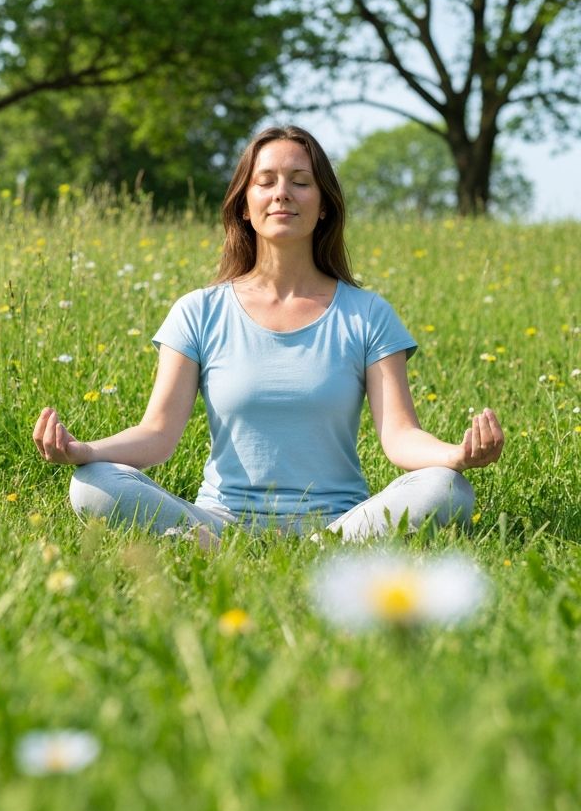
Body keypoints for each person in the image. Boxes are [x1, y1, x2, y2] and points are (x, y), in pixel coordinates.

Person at [32, 125, 504, 544]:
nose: (282, 194)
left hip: (339, 523)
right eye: (266, 182)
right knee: (92, 483)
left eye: (300, 182)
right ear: (244, 205)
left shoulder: (368, 314)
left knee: (446, 489)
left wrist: (456, 455)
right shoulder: (199, 311)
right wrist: (85, 451)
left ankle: (326, 548)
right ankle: (206, 545)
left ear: (323, 206)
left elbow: (400, 437)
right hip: (219, 522)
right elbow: (157, 435)